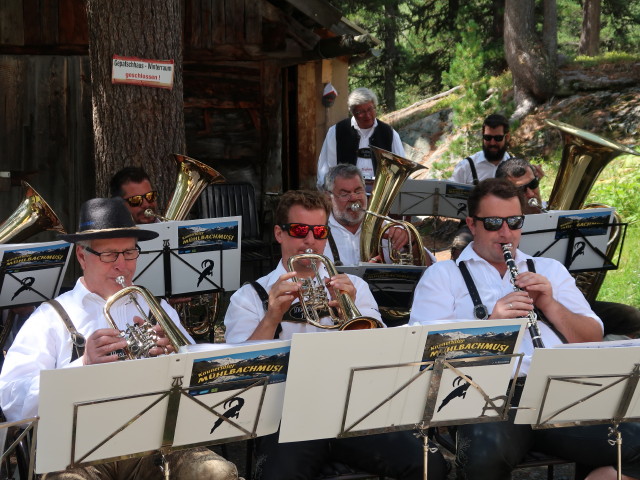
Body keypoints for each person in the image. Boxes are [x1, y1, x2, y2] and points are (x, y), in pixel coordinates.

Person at [410, 178, 640, 480]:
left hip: (559, 392)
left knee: (633, 440)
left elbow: (591, 337)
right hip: (488, 398)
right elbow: (425, 353)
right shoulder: (443, 275)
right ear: (472, 224)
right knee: (481, 460)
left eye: (514, 222)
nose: (506, 233)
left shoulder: (549, 270)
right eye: (493, 223)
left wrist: (550, 305)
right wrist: (492, 325)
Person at [0, 198, 239, 480]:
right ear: (81, 256)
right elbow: (12, 402)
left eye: (129, 253)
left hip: (154, 448)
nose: (122, 266)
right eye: (109, 255)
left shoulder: (155, 308)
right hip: (77, 455)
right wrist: (83, 364)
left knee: (217, 472)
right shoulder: (49, 317)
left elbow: (205, 376)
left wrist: (178, 355)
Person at [223, 190, 447, 480]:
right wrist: (272, 316)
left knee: (430, 466)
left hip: (351, 412)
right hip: (286, 420)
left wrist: (348, 311)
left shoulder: (353, 286)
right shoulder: (249, 297)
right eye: (300, 230)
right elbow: (239, 376)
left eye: (319, 232)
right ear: (279, 233)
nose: (310, 241)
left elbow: (381, 353)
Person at [496, 157, 640, 338]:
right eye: (521, 190)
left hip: (565, 299)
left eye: (533, 184)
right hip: (528, 304)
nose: (531, 193)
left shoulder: (554, 216)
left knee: (633, 318)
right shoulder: (501, 230)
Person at [322, 164, 434, 267]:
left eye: (358, 191)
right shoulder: (317, 231)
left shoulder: (389, 227)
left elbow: (429, 268)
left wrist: (411, 243)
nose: (354, 198)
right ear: (328, 197)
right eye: (344, 194)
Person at [316, 87, 405, 189]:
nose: (367, 115)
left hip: (380, 194)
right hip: (344, 195)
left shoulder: (389, 133)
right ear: (353, 112)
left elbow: (400, 168)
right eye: (361, 112)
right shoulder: (336, 131)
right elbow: (325, 167)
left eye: (370, 109)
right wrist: (328, 192)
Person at [450, 114, 514, 185]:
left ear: (507, 137)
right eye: (488, 138)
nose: (492, 143)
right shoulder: (466, 167)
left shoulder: (516, 167)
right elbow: (450, 193)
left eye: (498, 138)